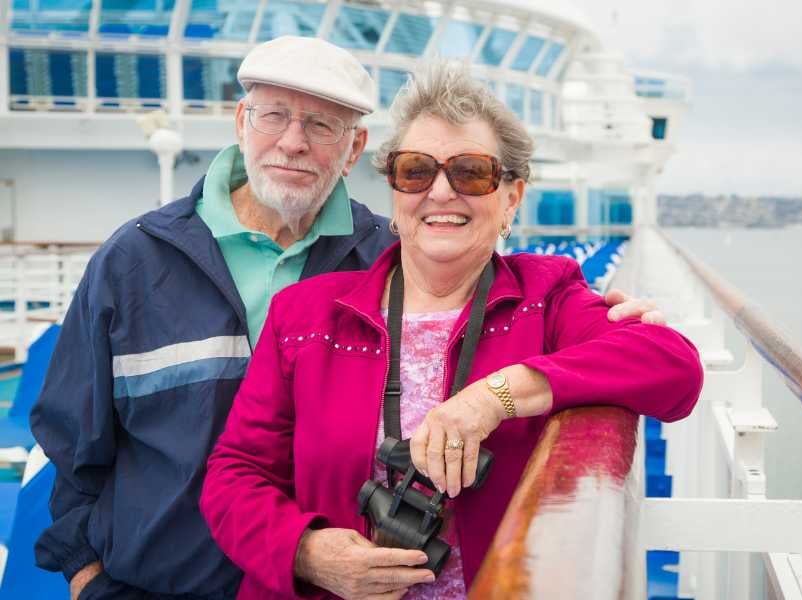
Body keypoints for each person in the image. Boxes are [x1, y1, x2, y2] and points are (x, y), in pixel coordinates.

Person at [29, 38, 659, 600]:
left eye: (323, 125)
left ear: (356, 146)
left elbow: (656, 360)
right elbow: (71, 442)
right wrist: (88, 579)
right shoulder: (135, 260)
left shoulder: (382, 257)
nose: (294, 141)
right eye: (274, 115)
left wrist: (512, 386)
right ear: (242, 121)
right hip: (156, 584)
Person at [200, 62, 703, 600]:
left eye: (471, 172)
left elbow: (674, 367)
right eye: (417, 170)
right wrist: (307, 552)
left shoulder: (546, 295)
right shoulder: (305, 315)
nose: (441, 192)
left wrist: (494, 396)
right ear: (395, 190)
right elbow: (234, 476)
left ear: (510, 198)